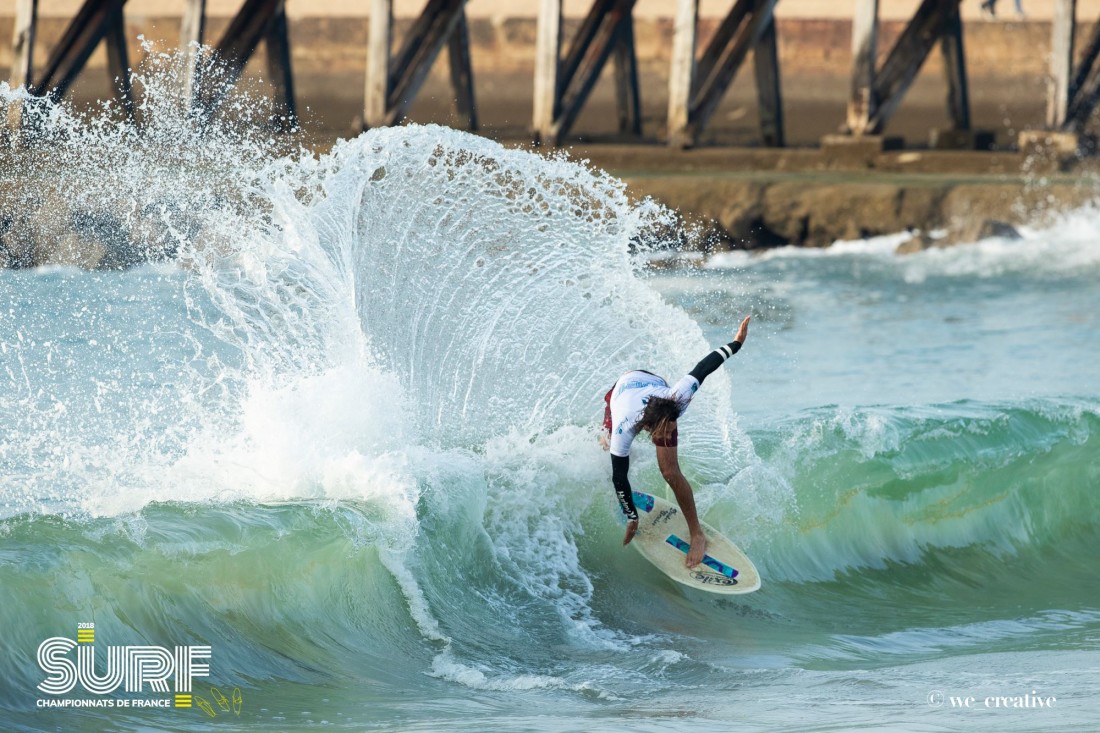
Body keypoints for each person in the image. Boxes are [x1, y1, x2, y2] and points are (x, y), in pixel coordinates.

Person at [599, 316, 750, 568]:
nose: (671, 432)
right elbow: (619, 477)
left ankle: (697, 534)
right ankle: (609, 451)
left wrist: (736, 344)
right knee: (607, 446)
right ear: (648, 428)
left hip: (651, 384)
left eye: (673, 424)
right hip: (621, 390)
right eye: (666, 429)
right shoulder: (625, 426)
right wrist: (632, 517)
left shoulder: (677, 397)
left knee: (670, 471)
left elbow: (704, 367)